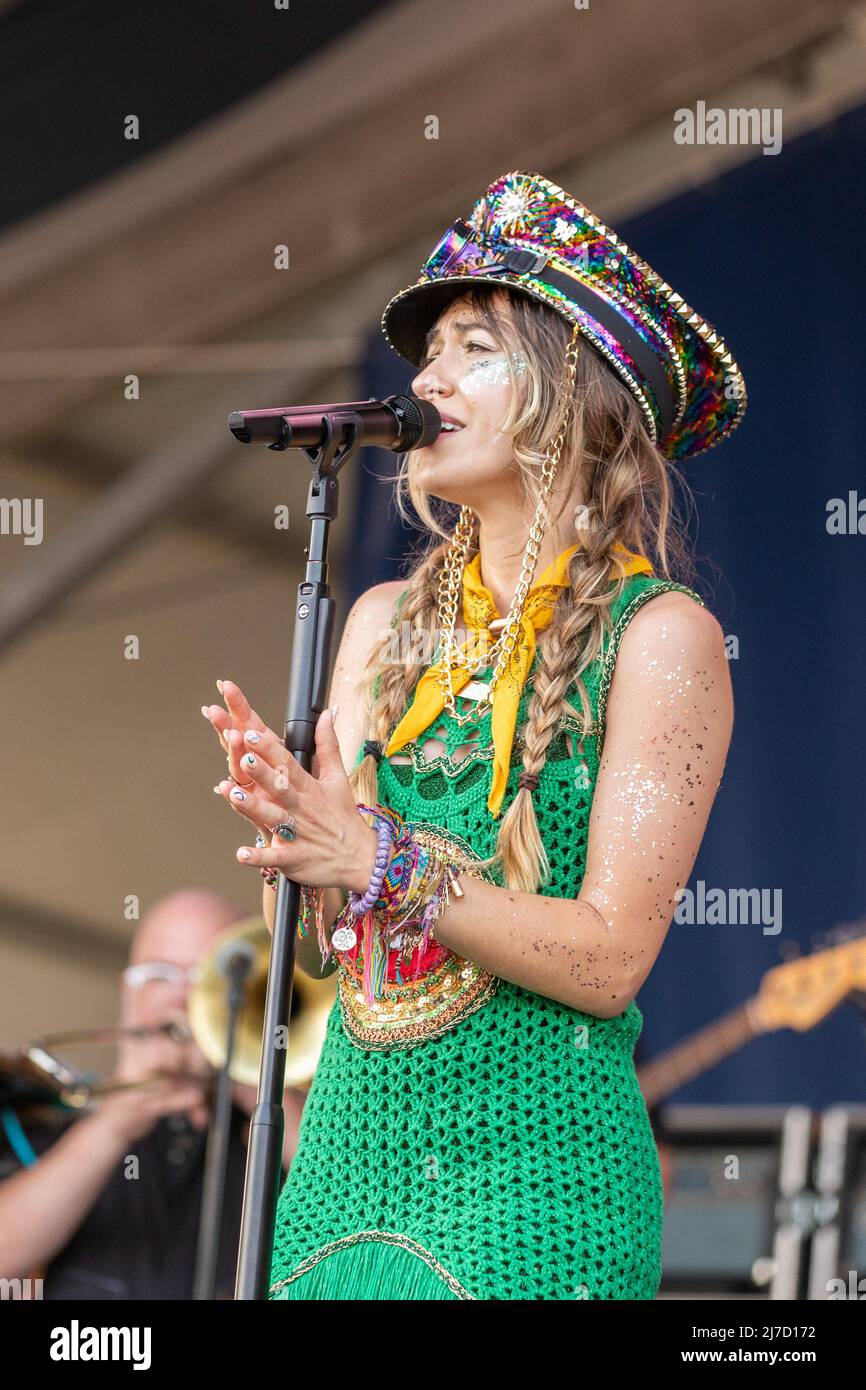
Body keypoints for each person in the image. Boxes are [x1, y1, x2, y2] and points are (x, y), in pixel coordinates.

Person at [202, 170, 745, 1300]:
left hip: (534, 1191)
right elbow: (316, 950)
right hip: (340, 1182)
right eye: (423, 352)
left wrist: (377, 857)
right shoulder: (378, 622)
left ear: (573, 396)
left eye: (471, 348)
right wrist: (293, 835)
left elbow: (607, 960)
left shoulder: (658, 638)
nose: (425, 379)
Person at [0, 889, 305, 1299]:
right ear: (129, 993)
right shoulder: (57, 1117)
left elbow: (354, 1196)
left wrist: (247, 1069)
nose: (182, 997)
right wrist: (113, 1123)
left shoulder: (275, 1120)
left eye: (207, 977)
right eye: (159, 975)